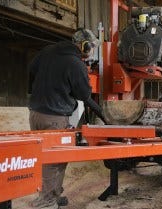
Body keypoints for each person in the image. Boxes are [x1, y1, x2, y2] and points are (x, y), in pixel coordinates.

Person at [28, 28, 107, 209]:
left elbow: (31, 69)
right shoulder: (75, 63)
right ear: (85, 46)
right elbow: (84, 94)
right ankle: (46, 202)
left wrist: (46, 86)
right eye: (92, 48)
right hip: (55, 117)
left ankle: (53, 194)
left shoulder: (48, 51)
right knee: (53, 160)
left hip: (35, 113)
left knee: (52, 157)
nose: (91, 52)